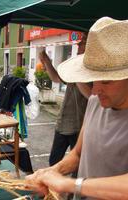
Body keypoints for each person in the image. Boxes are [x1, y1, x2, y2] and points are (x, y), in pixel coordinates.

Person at [26, 17, 128, 200]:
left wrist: (71, 184)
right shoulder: (96, 102)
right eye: (93, 79)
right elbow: (79, 153)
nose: (95, 89)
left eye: (106, 81)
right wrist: (52, 172)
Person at [39, 34, 91, 166]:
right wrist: (47, 61)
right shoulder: (75, 65)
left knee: (78, 167)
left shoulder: (93, 69)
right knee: (54, 163)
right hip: (62, 124)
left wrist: (75, 76)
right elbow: (56, 78)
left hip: (79, 126)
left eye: (83, 42)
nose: (78, 44)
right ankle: (54, 186)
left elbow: (92, 97)